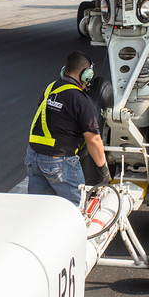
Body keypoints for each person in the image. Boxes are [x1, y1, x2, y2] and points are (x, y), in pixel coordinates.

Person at [25, 51, 110, 205]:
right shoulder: (82, 100)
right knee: (76, 211)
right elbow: (94, 140)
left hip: (33, 157)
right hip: (58, 162)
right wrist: (103, 169)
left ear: (65, 70)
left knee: (38, 209)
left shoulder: (51, 88)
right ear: (86, 75)